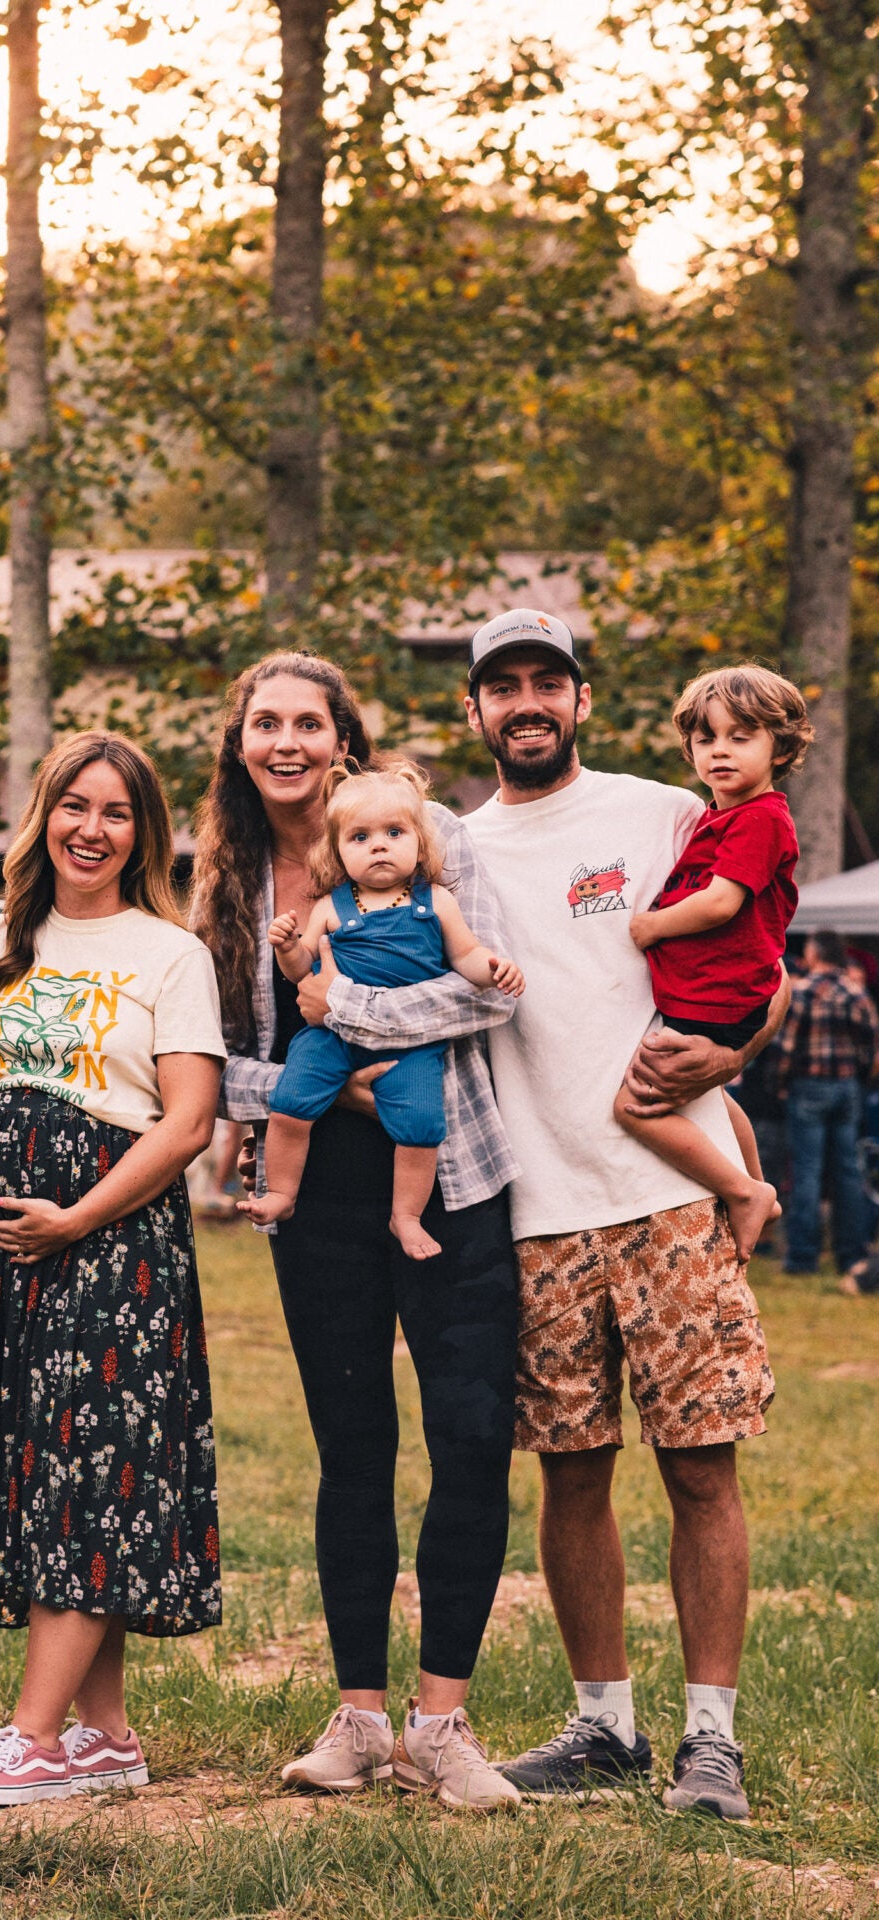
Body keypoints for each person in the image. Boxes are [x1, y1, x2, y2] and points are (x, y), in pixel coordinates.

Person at [458, 609, 780, 1821]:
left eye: (547, 681)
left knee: (700, 1468)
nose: (526, 702)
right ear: (476, 712)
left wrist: (726, 1055)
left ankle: (711, 1741)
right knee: (572, 1476)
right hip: (531, 1212)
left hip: (667, 1199)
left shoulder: (664, 816)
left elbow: (765, 966)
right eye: (504, 687)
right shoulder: (455, 848)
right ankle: (603, 1728)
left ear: (581, 701)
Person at [189, 651, 525, 1809]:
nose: (285, 742)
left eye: (307, 723)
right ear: (240, 745)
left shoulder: (423, 832)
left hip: (454, 1178)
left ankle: (444, 1721)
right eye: (263, 723)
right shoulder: (226, 884)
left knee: (473, 1434)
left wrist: (350, 1012)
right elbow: (211, 1061)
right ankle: (360, 1719)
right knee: (352, 1448)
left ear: (344, 739)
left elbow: (487, 989)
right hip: (316, 1193)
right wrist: (328, 1085)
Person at [0, 732, 222, 1807]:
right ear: (41, 814)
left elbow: (187, 1122)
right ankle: (103, 1734)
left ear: (143, 833)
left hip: (112, 1239)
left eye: (115, 813)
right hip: (8, 1244)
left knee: (91, 1470)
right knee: (35, 1462)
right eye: (72, 805)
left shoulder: (167, 952)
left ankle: (36, 1738)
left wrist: (77, 1219)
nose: (89, 829)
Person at [239, 761, 524, 1260]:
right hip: (330, 1038)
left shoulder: (435, 901)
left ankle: (406, 1216)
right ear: (336, 850)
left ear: (421, 841)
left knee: (421, 1127)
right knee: (291, 1101)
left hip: (409, 1044)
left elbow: (466, 957)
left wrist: (495, 967)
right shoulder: (330, 906)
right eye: (360, 837)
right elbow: (302, 969)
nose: (378, 845)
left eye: (394, 832)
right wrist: (287, 946)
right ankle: (282, 1194)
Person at [614, 666, 809, 1260]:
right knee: (711, 1098)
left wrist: (651, 926)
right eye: (706, 739)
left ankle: (740, 1191)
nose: (720, 751)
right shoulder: (721, 815)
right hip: (712, 993)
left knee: (635, 1108)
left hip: (720, 997)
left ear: (781, 746)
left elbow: (723, 902)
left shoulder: (760, 818)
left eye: (741, 736)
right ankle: (760, 1188)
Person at [779, 931, 876, 1277]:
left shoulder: (801, 991)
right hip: (847, 1086)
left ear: (814, 952)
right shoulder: (856, 993)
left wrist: (781, 1082)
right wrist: (859, 1079)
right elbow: (870, 1047)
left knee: (807, 1171)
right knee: (848, 1172)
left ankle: (802, 1257)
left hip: (808, 1086)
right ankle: (851, 1254)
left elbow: (786, 1047)